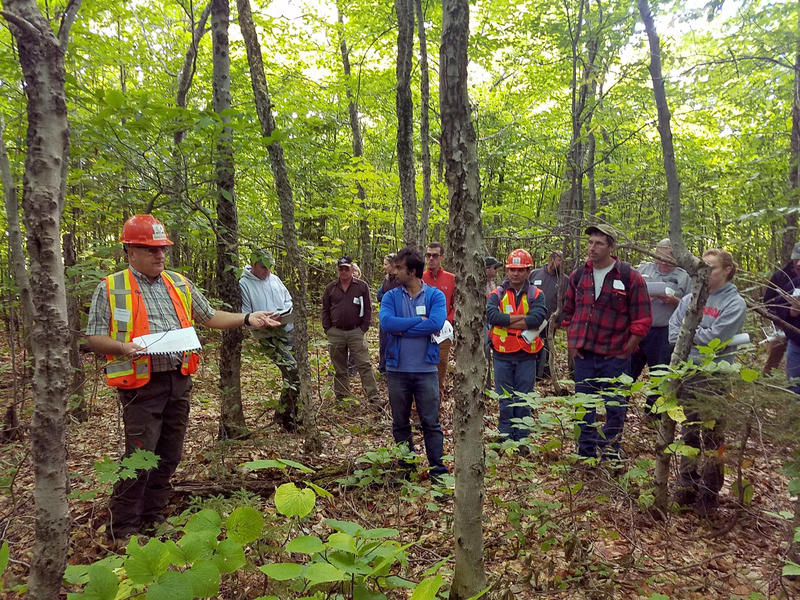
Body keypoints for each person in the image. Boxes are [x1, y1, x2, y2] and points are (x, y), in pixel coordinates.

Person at [86, 214, 280, 542]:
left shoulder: (178, 283)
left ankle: (153, 516)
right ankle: (123, 527)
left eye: (162, 248)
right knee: (140, 456)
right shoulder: (111, 287)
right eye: (151, 250)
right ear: (131, 251)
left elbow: (209, 316)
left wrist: (248, 318)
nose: (159, 255)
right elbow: (93, 337)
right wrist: (122, 347)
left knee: (170, 453)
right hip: (140, 386)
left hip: (178, 380)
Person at [563, 224, 652, 460]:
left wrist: (628, 348)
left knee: (615, 407)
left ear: (611, 247)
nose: (592, 248)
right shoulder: (579, 275)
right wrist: (572, 342)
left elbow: (643, 318)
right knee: (584, 408)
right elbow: (568, 311)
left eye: (599, 244)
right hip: (584, 355)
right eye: (590, 242)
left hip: (615, 356)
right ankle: (585, 454)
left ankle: (611, 454)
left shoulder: (629, 276)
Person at [669, 249, 746, 515]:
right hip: (687, 373)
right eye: (702, 266)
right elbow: (672, 332)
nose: (704, 272)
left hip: (715, 378)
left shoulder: (734, 303)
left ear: (726, 270)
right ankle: (687, 486)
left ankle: (709, 494)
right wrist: (694, 334)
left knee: (713, 437)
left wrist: (690, 332)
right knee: (688, 431)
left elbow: (717, 338)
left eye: (711, 267)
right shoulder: (690, 298)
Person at [379, 247, 448, 480]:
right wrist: (418, 321)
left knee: (431, 422)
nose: (395, 271)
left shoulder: (435, 296)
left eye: (399, 268)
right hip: (397, 370)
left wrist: (403, 328)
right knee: (400, 423)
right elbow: (387, 323)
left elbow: (436, 323)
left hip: (426, 371)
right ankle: (407, 470)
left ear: (412, 271)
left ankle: (438, 472)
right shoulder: (390, 296)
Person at [487, 249, 547, 442]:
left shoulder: (536, 294)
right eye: (512, 269)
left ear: (528, 271)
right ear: (507, 270)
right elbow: (492, 316)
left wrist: (506, 320)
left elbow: (537, 319)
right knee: (505, 400)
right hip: (502, 353)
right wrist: (522, 319)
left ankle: (522, 440)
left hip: (526, 354)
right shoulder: (497, 293)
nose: (515, 273)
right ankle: (505, 437)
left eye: (520, 270)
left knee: (524, 399)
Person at [239, 248, 299, 431]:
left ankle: (289, 415)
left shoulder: (275, 279)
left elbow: (288, 301)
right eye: (263, 267)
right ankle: (286, 418)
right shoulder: (244, 284)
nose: (267, 271)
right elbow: (245, 314)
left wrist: (282, 313)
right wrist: (263, 320)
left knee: (297, 373)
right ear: (253, 264)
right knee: (293, 371)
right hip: (267, 336)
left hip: (286, 329)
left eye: (269, 267)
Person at [633, 239, 691, 416]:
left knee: (660, 373)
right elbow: (626, 295)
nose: (664, 262)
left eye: (669, 259)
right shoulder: (643, 270)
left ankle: (653, 414)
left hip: (664, 331)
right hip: (638, 328)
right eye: (661, 257)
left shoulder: (684, 277)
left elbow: (691, 308)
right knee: (627, 370)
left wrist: (674, 301)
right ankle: (617, 409)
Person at [321, 256, 381, 404]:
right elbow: (325, 309)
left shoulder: (361, 286)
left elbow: (368, 308)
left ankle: (374, 397)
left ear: (352, 269)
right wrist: (328, 329)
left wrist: (363, 328)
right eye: (340, 269)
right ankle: (342, 398)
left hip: (356, 332)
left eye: (346, 268)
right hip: (336, 332)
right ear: (337, 270)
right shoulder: (331, 288)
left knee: (364, 365)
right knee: (339, 367)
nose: (343, 271)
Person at [422, 242, 456, 399]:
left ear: (442, 257)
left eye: (435, 255)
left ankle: (437, 399)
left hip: (443, 331)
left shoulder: (451, 279)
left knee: (441, 365)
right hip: (422, 329)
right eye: (428, 255)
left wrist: (445, 321)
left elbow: (457, 304)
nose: (431, 259)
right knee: (421, 365)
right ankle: (419, 402)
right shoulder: (420, 278)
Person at [529, 250, 569, 381]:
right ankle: (531, 372)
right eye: (559, 260)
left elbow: (566, 302)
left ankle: (544, 374)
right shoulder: (535, 274)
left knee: (546, 348)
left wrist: (559, 320)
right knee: (531, 344)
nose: (561, 264)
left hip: (550, 321)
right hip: (532, 320)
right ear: (551, 259)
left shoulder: (564, 280)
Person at [762, 243, 800, 373]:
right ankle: (768, 375)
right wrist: (779, 319)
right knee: (777, 348)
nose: (798, 263)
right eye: (796, 259)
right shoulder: (781, 276)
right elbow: (769, 300)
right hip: (782, 321)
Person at [377, 253, 401, 373]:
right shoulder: (386, 279)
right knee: (383, 342)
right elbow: (379, 295)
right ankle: (383, 367)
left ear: (393, 264)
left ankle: (393, 369)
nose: (384, 266)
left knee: (394, 342)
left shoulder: (400, 279)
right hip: (385, 315)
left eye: (386, 264)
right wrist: (388, 297)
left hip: (397, 316)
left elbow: (400, 297)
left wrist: (388, 297)